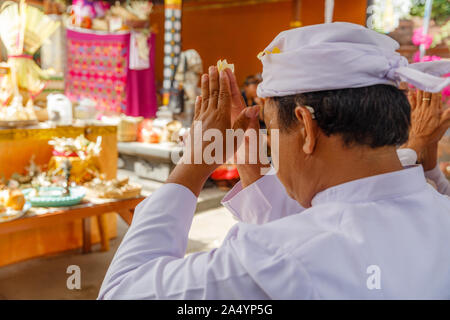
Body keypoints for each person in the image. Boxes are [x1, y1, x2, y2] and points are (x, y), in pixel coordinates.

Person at [98, 22, 450, 299]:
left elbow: (123, 292)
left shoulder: (278, 258)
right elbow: (315, 227)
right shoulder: (439, 211)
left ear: (307, 127)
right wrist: (250, 163)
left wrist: (193, 163)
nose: (270, 142)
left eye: (271, 128)